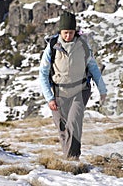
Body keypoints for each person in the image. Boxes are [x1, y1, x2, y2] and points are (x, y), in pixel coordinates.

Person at [39, 11, 107, 160]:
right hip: (59, 92)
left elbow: (94, 67)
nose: (68, 36)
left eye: (70, 32)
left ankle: (72, 159)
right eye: (65, 33)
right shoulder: (52, 47)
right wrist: (49, 98)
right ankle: (68, 158)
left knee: (74, 123)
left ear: (75, 31)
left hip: (80, 90)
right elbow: (43, 74)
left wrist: (102, 90)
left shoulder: (83, 45)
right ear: (60, 32)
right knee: (62, 128)